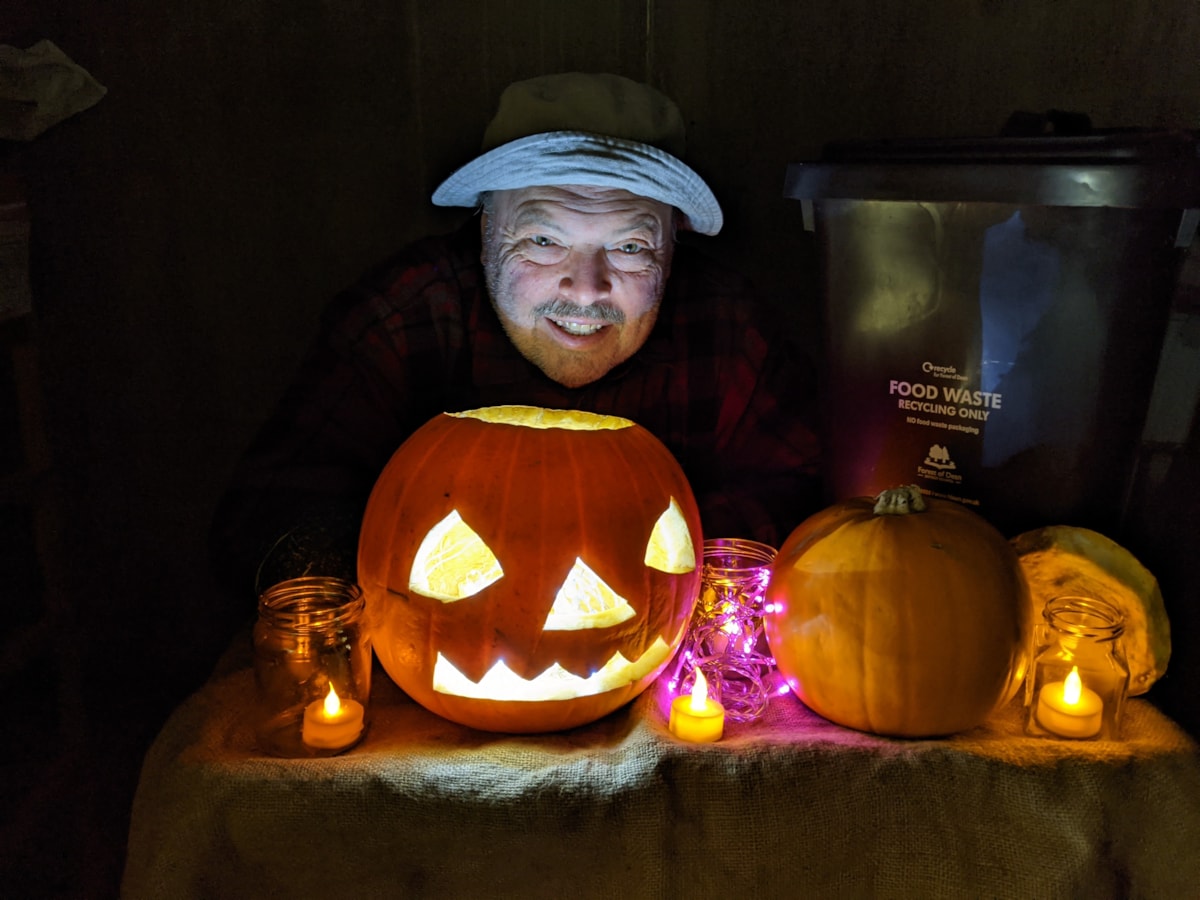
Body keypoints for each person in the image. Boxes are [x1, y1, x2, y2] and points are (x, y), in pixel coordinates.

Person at [210, 72, 821, 599]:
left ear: (673, 244)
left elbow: (804, 504)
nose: (586, 289)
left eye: (630, 246)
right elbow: (269, 520)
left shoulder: (731, 325)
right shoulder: (404, 315)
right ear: (484, 233)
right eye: (543, 240)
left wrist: (641, 547)